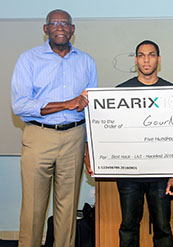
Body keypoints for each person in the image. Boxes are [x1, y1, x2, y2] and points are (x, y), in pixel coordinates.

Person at [10, 9, 97, 247]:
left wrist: (90, 149)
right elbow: (20, 105)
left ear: (73, 29)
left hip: (75, 137)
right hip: (39, 136)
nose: (60, 27)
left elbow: (91, 110)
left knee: (67, 209)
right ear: (46, 29)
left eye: (65, 23)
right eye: (54, 23)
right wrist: (66, 104)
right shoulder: (28, 59)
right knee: (34, 209)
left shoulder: (86, 61)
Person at [85, 40, 173, 247]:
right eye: (141, 55)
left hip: (161, 174)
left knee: (163, 229)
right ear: (136, 60)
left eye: (151, 54)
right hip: (129, 174)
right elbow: (107, 130)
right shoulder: (120, 92)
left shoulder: (172, 92)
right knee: (128, 227)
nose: (146, 59)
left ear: (159, 59)